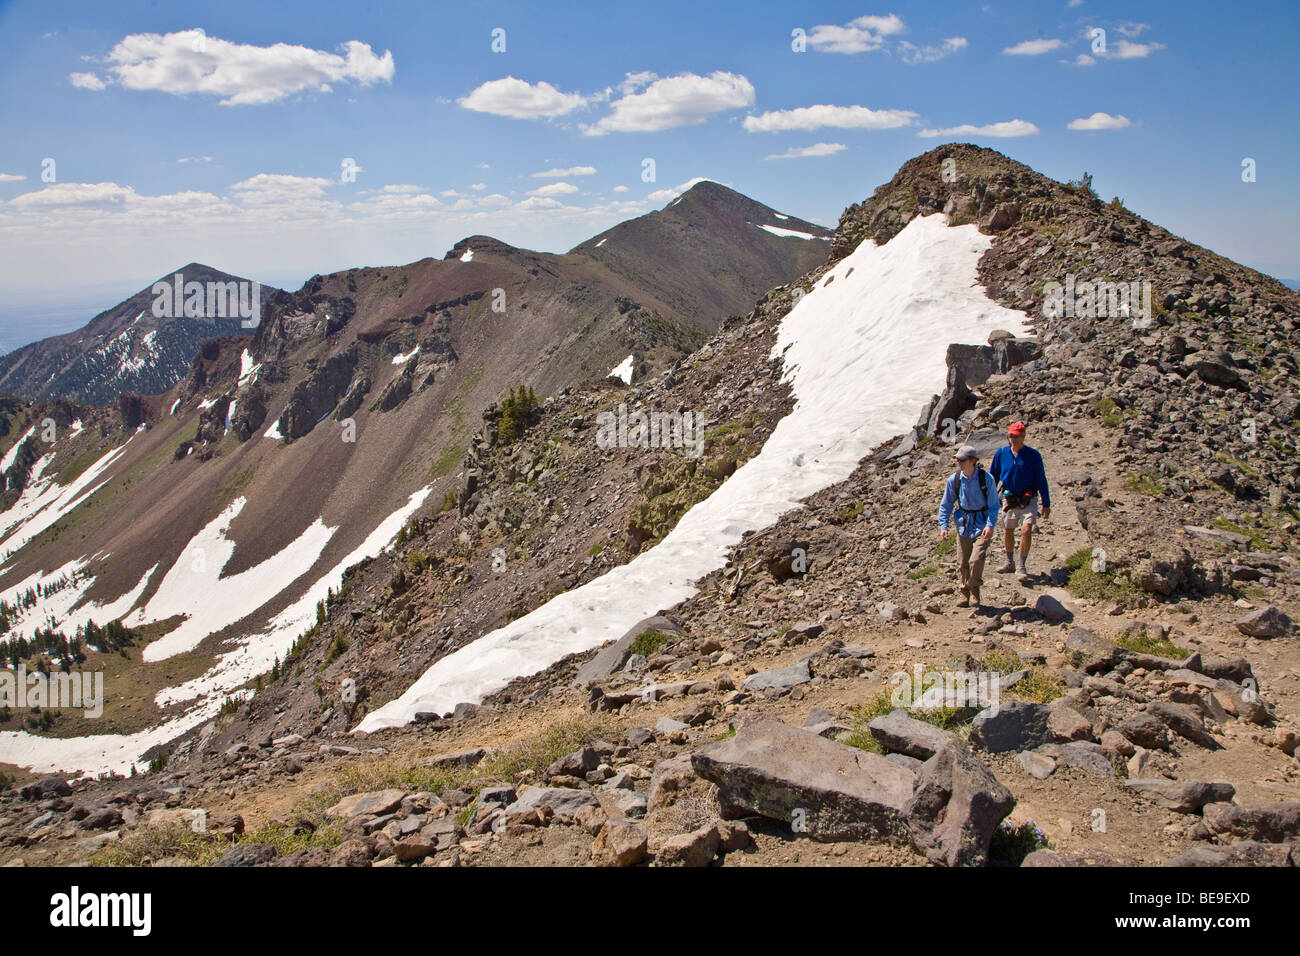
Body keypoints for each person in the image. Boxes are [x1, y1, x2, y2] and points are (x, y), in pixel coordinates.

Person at [937, 444, 999, 608]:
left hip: (982, 524)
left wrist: (990, 524)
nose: (959, 463)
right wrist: (943, 525)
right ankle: (965, 593)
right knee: (963, 562)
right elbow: (946, 504)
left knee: (976, 559)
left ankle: (974, 590)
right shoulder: (954, 480)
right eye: (958, 460)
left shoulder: (986, 479)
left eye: (962, 460)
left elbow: (994, 505)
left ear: (972, 460)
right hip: (963, 524)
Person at [989, 421, 1051, 581]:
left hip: (1028, 497)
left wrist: (1046, 502)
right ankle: (1009, 562)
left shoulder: (1033, 456)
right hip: (1009, 497)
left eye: (1017, 437)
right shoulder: (1001, 454)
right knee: (1008, 529)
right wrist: (989, 497)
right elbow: (993, 476)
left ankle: (1022, 566)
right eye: (1011, 436)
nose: (1014, 439)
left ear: (1023, 437)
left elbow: (1041, 479)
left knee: (1026, 529)